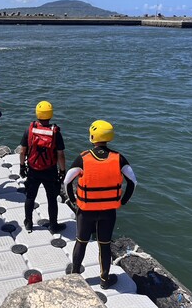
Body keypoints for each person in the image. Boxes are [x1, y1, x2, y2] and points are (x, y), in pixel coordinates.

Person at [64, 120, 137, 290]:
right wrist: (123, 200)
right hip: (108, 211)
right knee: (104, 245)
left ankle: (75, 275)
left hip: (86, 210)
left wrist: (73, 201)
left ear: (92, 136)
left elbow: (67, 181)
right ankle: (104, 279)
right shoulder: (119, 158)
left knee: (81, 241)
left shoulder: (83, 158)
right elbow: (133, 181)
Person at [19, 101, 67, 234]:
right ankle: (53, 225)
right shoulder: (55, 132)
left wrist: (22, 166)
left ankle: (28, 223)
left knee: (30, 197)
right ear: (50, 114)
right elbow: (60, 154)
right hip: (49, 170)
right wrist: (62, 170)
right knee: (52, 199)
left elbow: (23, 151)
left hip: (33, 169)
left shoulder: (30, 129)